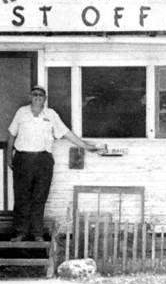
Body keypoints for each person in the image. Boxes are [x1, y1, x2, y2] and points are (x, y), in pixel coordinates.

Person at [7, 85, 100, 241]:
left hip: (43, 159)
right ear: (30, 96)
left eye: (41, 95)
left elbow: (66, 133)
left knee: (40, 196)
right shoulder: (21, 113)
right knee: (22, 197)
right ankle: (20, 233)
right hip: (23, 159)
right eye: (35, 94)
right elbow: (11, 135)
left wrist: (85, 146)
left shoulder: (51, 115)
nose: (37, 97)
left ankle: (37, 233)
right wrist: (8, 157)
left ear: (45, 98)